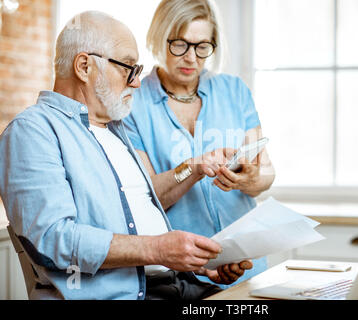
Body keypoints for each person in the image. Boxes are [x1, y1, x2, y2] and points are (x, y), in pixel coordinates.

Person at [0, 11, 252, 300]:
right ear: (84, 66)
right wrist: (158, 249)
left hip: (179, 284)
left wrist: (197, 264)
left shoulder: (117, 131)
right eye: (128, 68)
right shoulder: (32, 131)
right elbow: (53, 239)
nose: (137, 82)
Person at [123, 0, 275, 287]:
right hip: (186, 276)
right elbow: (146, 197)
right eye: (180, 44)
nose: (191, 58)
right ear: (159, 37)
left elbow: (266, 174)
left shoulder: (234, 91)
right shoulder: (135, 103)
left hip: (248, 266)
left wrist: (251, 178)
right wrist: (193, 169)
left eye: (202, 47)